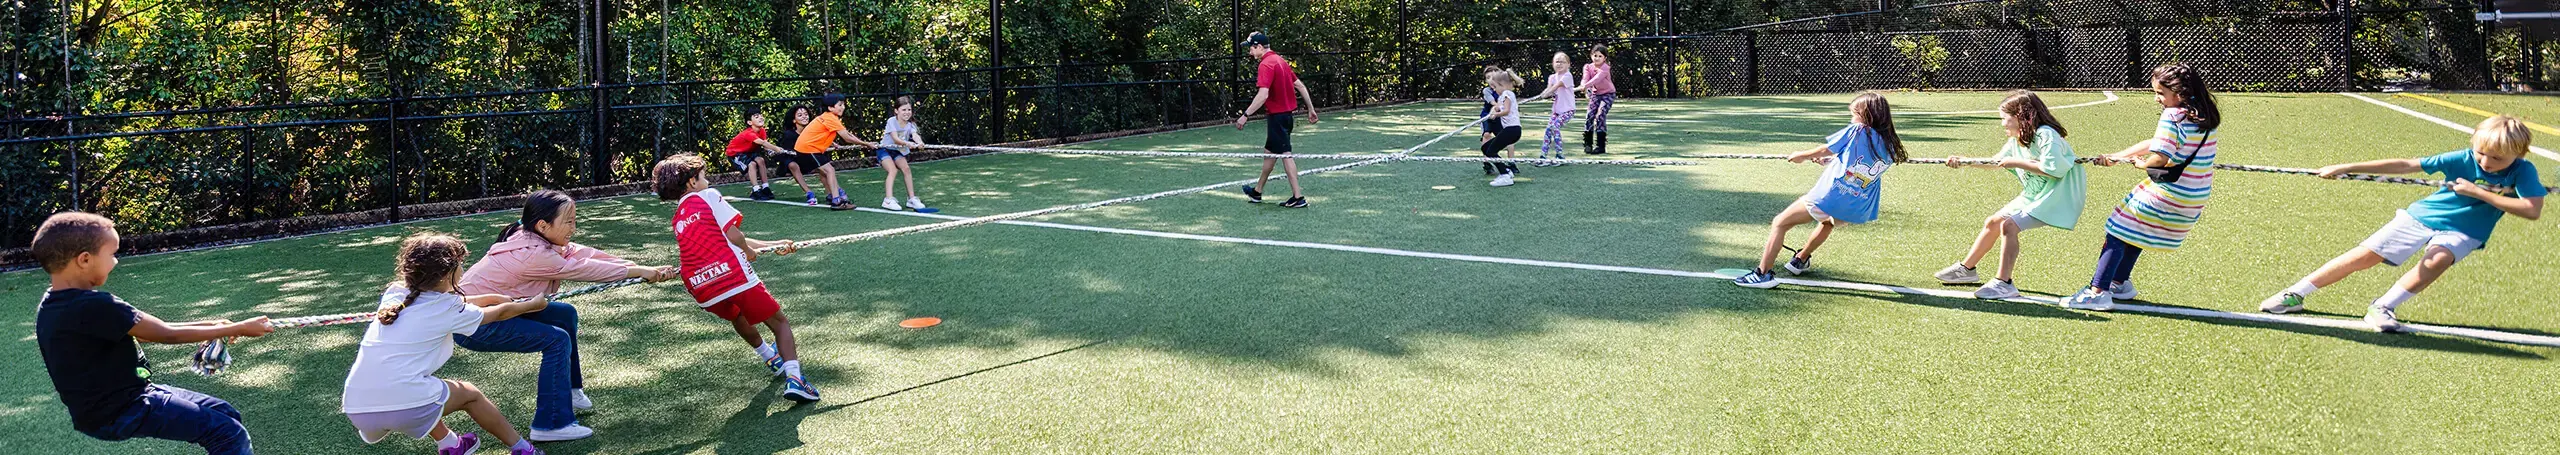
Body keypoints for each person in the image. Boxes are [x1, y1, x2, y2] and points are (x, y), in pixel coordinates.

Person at [2260, 115, 2542, 331]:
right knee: (2365, 256)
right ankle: (2295, 294)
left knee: (2437, 260)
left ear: (2520, 153)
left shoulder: (2524, 171)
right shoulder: (2462, 158)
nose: (2485, 161)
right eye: (2481, 152)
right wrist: (2346, 167)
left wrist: (2478, 192)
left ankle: (2382, 308)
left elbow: (2531, 209)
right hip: (2423, 216)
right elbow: (2406, 165)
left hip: (2466, 230)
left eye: (2497, 158)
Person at [33, 212, 275, 455]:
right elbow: (166, 334)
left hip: (121, 401)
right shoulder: (95, 305)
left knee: (225, 414)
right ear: (84, 260)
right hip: (123, 409)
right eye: (112, 254)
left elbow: (148, 331)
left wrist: (214, 326)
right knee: (227, 432)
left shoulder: (55, 303)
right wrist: (239, 328)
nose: (116, 262)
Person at [455, 190, 679, 442]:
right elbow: (582, 268)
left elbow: (585, 254)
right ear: (542, 225)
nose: (574, 227)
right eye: (568, 221)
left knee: (564, 314)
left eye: (574, 219)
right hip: (474, 325)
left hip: (493, 312)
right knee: (557, 339)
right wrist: (639, 271)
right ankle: (550, 424)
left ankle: (570, 391)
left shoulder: (534, 236)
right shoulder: (533, 254)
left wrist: (640, 268)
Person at [343, 233, 551, 455]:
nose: (462, 269)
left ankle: (451, 444)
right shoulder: (448, 309)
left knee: (428, 389)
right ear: (446, 275)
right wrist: (531, 305)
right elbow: (499, 314)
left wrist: (491, 296)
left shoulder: (395, 294)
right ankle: (522, 449)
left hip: (358, 411)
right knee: (469, 394)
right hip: (406, 406)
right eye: (460, 265)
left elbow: (448, 304)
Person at [651, 154, 821, 402]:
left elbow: (725, 238)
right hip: (731, 275)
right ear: (691, 182)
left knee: (736, 314)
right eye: (703, 176)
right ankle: (795, 379)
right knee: (780, 323)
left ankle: (769, 357)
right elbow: (733, 234)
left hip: (701, 288)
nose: (707, 180)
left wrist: (774, 245)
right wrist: (749, 252)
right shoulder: (708, 196)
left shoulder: (679, 216)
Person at [2061, 63, 2222, 311]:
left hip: (2170, 191)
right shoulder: (2203, 115)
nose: (2158, 99)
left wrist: (2140, 164)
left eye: (2160, 93)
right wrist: (2117, 156)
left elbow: (2159, 157)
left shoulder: (2172, 116)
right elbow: (2156, 141)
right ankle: (2119, 283)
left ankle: (2097, 291)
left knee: (2116, 230)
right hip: (2194, 193)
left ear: (2178, 92)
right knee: (2133, 228)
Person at [1733, 93, 1907, 288]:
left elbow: (1827, 149)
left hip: (1830, 198)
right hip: (1854, 206)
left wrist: (1802, 156)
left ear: (1866, 115)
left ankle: (1762, 274)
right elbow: (1859, 165)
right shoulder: (1891, 144)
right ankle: (1800, 259)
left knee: (1780, 223)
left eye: (1854, 114)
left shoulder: (1858, 131)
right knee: (1827, 223)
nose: (1851, 119)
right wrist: (1832, 162)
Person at [1931, 91, 2086, 299]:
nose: (2003, 124)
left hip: (2055, 197)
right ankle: (1966, 270)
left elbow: (2054, 169)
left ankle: (2004, 283)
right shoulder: (2019, 139)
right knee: (1993, 222)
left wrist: (2016, 163)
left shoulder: (2046, 134)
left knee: (2009, 225)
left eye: (2005, 119)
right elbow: (1995, 163)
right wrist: (1964, 161)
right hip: (2034, 195)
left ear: (2022, 117)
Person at [1233, 31, 1319, 208]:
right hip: (1286, 117)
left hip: (1277, 118)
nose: (1249, 52)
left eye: (1250, 48)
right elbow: (1300, 85)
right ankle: (1257, 192)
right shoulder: (1281, 61)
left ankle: (1298, 197)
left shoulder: (1266, 64)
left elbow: (1263, 94)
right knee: (1269, 155)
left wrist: (1245, 115)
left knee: (1286, 155)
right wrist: (1310, 108)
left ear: (1258, 47)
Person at [792, 94, 881, 210]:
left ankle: (831, 195)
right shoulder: (831, 118)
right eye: (839, 105)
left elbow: (820, 133)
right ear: (830, 108)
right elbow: (847, 137)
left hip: (806, 149)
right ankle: (837, 201)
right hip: (808, 149)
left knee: (824, 173)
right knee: (830, 170)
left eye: (843, 104)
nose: (843, 107)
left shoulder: (828, 117)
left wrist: (832, 143)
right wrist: (866, 144)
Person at [724, 112, 794, 201]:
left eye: (761, 116)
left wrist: (771, 150)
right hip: (735, 154)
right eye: (756, 117)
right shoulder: (748, 133)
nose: (761, 118)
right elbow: (763, 143)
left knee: (761, 160)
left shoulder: (762, 131)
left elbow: (765, 146)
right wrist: (776, 148)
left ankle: (765, 187)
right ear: (749, 122)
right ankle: (756, 190)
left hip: (748, 152)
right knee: (752, 164)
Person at [878, 96, 929, 211]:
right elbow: (895, 139)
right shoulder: (891, 121)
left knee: (906, 169)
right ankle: (888, 200)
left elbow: (915, 135)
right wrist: (908, 143)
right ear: (896, 111)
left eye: (909, 110)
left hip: (897, 151)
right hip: (885, 149)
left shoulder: (910, 124)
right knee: (893, 170)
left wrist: (920, 142)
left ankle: (911, 199)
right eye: (904, 110)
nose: (907, 112)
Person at [1527, 52, 1577, 167]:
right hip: (1556, 110)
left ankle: (1560, 156)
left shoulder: (1567, 76)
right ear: (1553, 64)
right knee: (1548, 130)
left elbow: (1556, 86)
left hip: (1568, 110)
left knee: (1555, 127)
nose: (1559, 64)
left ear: (1568, 64)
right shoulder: (1552, 77)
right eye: (1557, 61)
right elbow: (1549, 90)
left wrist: (1546, 93)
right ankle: (1543, 156)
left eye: (1562, 62)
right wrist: (1544, 94)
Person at [1480, 68, 1527, 187]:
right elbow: (1498, 107)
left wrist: (1496, 114)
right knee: (1486, 147)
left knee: (1491, 151)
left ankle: (1505, 175)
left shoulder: (1507, 94)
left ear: (1502, 85)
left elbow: (1506, 111)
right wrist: (1493, 111)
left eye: (1495, 87)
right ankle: (1506, 170)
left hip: (1512, 130)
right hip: (1509, 130)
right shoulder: (1502, 97)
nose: (1494, 90)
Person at [1579, 44, 1617, 155]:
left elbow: (1596, 79)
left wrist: (1586, 85)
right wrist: (1583, 85)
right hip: (1595, 94)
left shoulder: (1605, 68)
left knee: (1600, 115)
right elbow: (1585, 78)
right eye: (1595, 55)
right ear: (1591, 56)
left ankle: (1601, 146)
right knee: (1590, 115)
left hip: (1608, 94)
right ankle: (1588, 144)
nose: (1597, 58)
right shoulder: (1587, 67)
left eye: (1600, 56)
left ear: (1604, 58)